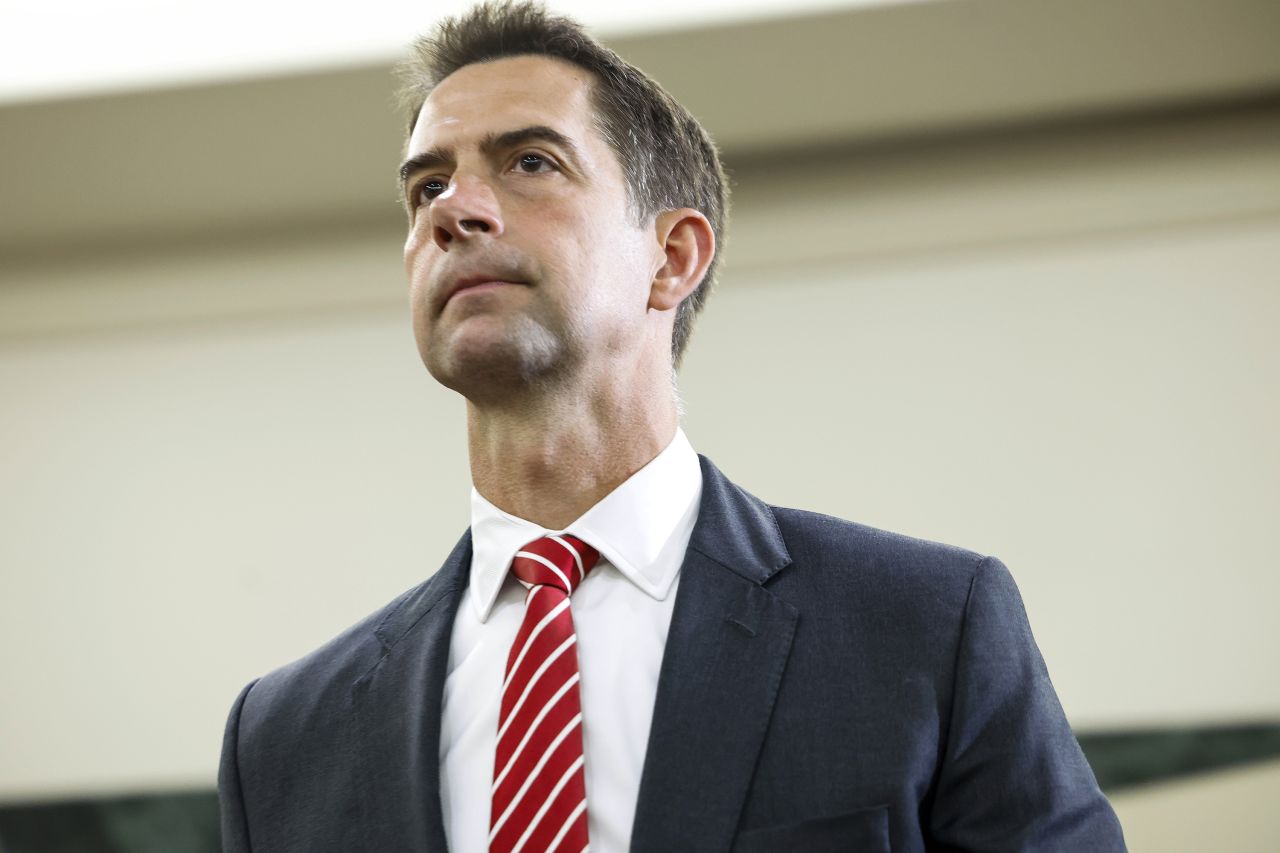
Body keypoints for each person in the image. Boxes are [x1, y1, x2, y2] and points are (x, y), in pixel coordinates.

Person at [217, 2, 1126, 851]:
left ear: (673, 256)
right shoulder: (282, 739)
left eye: (531, 162)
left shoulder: (926, 629)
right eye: (427, 188)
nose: (456, 209)